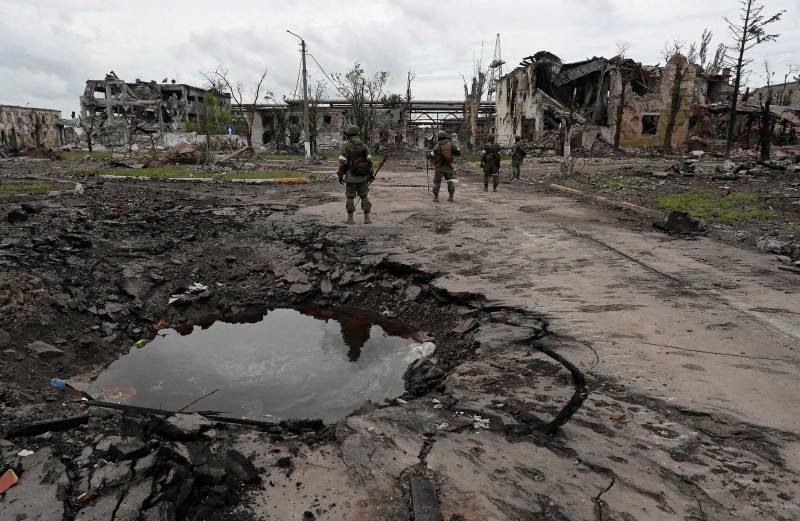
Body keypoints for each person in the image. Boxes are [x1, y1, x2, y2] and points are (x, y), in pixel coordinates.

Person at [337, 125, 374, 224]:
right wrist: (371, 175)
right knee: (364, 196)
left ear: (348, 135)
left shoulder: (346, 147)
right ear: (357, 134)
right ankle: (367, 219)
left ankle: (350, 219)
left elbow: (342, 163)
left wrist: (340, 175)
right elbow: (369, 162)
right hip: (363, 177)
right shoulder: (364, 146)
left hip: (350, 177)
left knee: (350, 197)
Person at [426, 131, 460, 202]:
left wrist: (427, 155)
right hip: (448, 166)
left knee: (437, 182)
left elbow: (431, 155)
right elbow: (458, 152)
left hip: (439, 167)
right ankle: (451, 197)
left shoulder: (438, 145)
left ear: (439, 137)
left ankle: (436, 197)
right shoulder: (450, 144)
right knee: (450, 181)